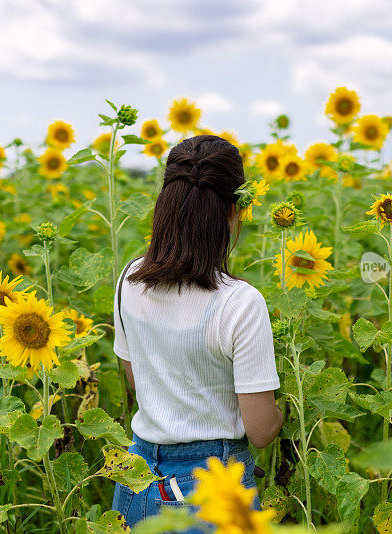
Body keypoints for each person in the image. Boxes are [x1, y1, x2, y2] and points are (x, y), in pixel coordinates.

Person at [110, 134, 283, 531]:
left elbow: (139, 380)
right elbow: (259, 430)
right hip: (210, 487)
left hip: (136, 480)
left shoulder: (130, 279)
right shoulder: (240, 302)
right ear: (235, 210)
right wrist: (280, 409)